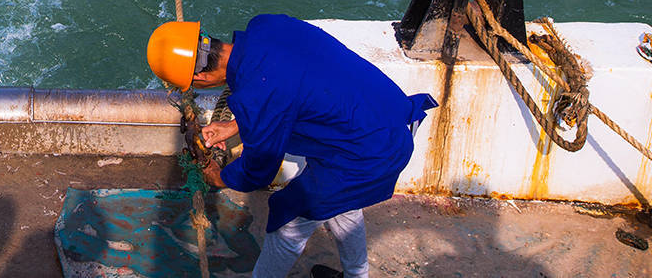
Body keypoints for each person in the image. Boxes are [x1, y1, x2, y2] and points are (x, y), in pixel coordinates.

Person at [147, 14, 437, 278]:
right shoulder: (266, 26)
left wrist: (219, 177)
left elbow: (258, 169)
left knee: (288, 223)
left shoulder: (257, 96)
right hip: (390, 117)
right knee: (343, 204)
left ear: (200, 77)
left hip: (370, 153)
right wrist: (236, 125)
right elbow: (288, 86)